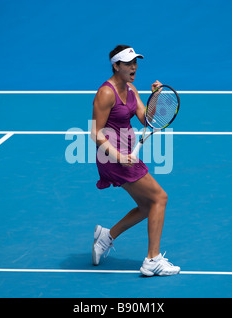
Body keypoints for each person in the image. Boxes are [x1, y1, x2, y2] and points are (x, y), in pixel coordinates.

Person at [90, 45, 180, 276]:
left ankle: (106, 237)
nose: (134, 67)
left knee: (147, 206)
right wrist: (119, 156)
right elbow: (96, 133)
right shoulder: (106, 93)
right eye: (128, 63)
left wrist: (156, 97)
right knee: (160, 198)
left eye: (135, 62)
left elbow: (145, 119)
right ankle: (152, 260)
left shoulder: (131, 89)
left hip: (126, 156)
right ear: (115, 66)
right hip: (112, 157)